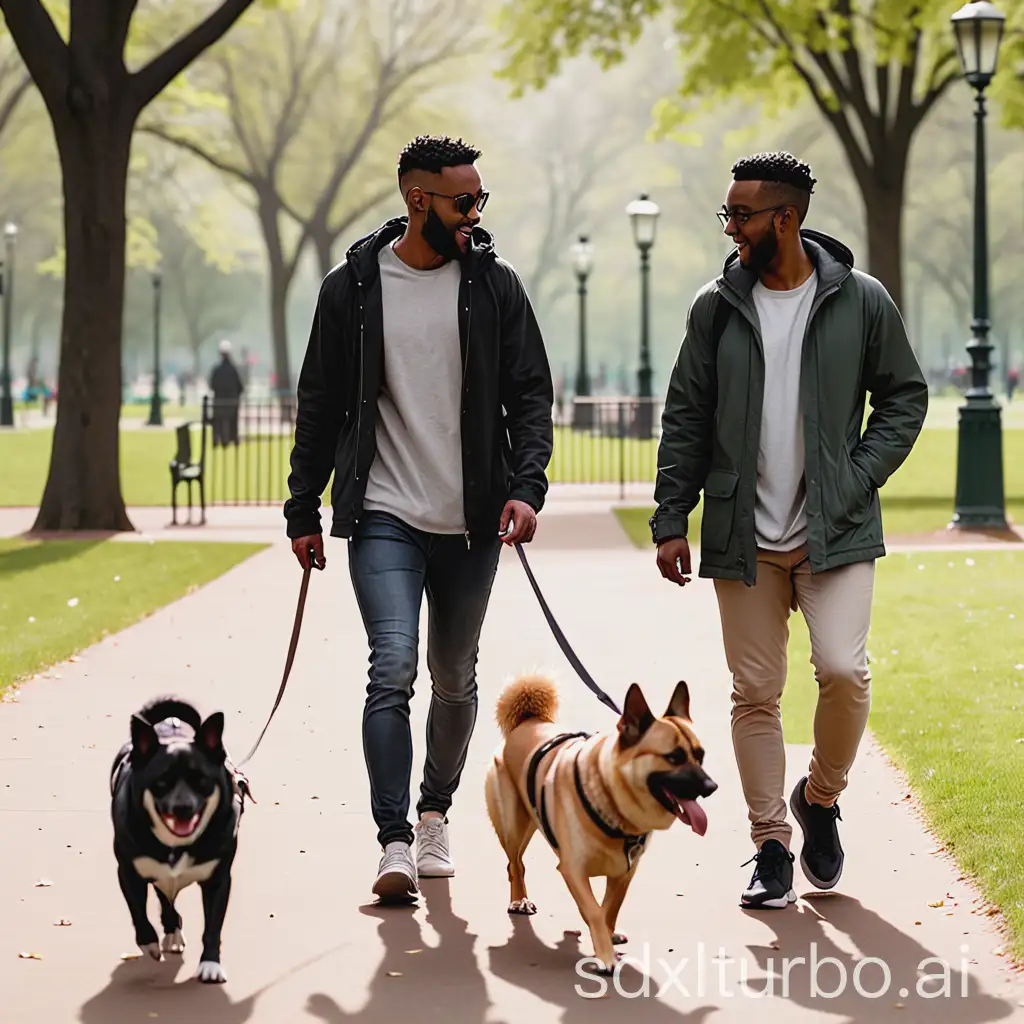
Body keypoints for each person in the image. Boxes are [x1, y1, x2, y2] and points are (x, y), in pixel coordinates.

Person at [649, 152, 927, 910]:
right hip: (745, 534)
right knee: (756, 692)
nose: (730, 228)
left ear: (786, 219)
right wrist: (672, 516)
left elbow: (904, 398)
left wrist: (854, 476)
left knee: (843, 671)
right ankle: (770, 843)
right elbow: (685, 417)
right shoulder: (715, 307)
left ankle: (822, 799)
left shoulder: (861, 301)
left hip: (835, 529)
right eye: (727, 215)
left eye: (741, 216)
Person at [283, 134, 554, 901]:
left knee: (455, 678)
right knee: (392, 668)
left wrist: (526, 488)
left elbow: (531, 396)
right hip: (383, 512)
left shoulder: (495, 286)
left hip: (471, 521)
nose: (475, 213)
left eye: (480, 199)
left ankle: (436, 810)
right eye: (462, 200)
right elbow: (320, 403)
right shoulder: (353, 289)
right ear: (417, 200)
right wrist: (302, 505)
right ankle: (395, 839)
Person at [209, 339, 244, 446]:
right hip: (231, 401)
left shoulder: (217, 370)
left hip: (219, 402)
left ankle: (217, 438)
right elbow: (240, 386)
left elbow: (212, 385)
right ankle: (232, 438)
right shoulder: (233, 370)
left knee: (218, 421)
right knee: (232, 421)